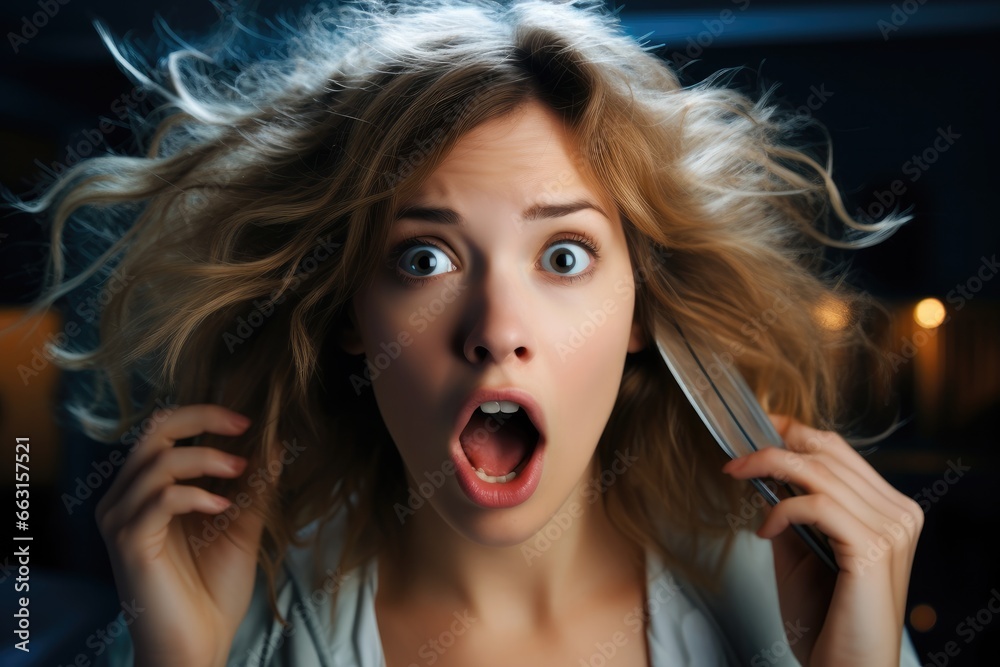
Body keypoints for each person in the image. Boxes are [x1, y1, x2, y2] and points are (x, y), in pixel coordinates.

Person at [16, 0, 923, 664]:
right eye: (425, 260)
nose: (496, 331)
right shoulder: (233, 626)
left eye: (563, 256)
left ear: (642, 311)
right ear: (346, 315)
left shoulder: (812, 610)